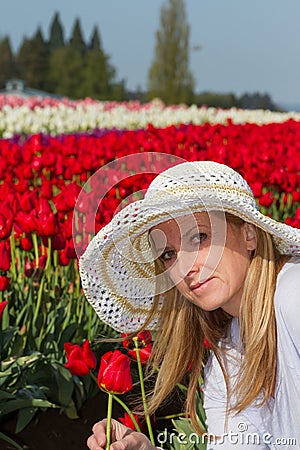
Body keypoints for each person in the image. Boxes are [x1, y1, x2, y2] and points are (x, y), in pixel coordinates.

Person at [79, 161, 300, 450]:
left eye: (199, 237)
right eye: (169, 254)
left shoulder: (292, 294)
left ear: (249, 234)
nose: (184, 268)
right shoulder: (228, 357)